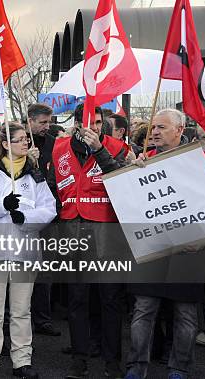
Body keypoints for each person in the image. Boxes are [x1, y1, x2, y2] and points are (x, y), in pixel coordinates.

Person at [0, 123, 56, 379]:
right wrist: (1, 205)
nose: (26, 143)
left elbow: (49, 209)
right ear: (5, 144)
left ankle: (21, 360)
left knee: (21, 310)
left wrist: (25, 218)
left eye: (27, 139)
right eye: (19, 140)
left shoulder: (34, 176)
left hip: (23, 252)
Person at [125, 109, 205, 379]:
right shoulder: (143, 162)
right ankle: (136, 367)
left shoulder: (200, 161)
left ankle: (179, 369)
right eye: (153, 127)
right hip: (153, 248)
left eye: (161, 127)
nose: (155, 132)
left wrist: (203, 237)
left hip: (190, 251)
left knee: (185, 314)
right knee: (143, 310)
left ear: (179, 130)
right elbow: (131, 204)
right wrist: (131, 176)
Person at [48, 104, 127, 379]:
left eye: (98, 122)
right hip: (73, 231)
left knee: (110, 300)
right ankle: (79, 359)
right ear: (77, 123)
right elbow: (52, 188)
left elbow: (122, 180)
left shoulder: (117, 147)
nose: (93, 128)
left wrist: (99, 150)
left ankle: (112, 361)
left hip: (107, 232)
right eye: (88, 122)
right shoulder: (58, 149)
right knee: (77, 299)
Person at [25, 103, 61, 338]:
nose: (46, 127)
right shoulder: (13, 138)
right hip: (22, 215)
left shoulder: (53, 143)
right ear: (30, 120)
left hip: (48, 214)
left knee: (45, 270)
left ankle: (42, 318)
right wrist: (26, 160)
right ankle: (18, 317)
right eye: (42, 123)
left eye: (48, 122)